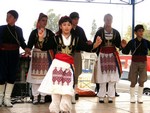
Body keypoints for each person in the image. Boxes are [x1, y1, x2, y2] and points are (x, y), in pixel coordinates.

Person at [38, 16, 102, 113]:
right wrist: (41, 37)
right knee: (56, 89)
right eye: (64, 25)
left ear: (71, 26)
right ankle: (54, 110)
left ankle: (65, 110)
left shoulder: (76, 39)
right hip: (57, 66)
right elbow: (43, 47)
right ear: (60, 26)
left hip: (69, 66)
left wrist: (96, 44)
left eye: (69, 25)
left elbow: (87, 47)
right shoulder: (55, 38)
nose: (66, 27)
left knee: (67, 89)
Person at [0, 10, 30, 107]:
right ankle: (0, 98)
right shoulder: (1, 28)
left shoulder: (19, 30)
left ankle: (7, 99)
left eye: (10, 16)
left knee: (12, 76)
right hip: (3, 54)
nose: (7, 18)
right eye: (7, 16)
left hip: (14, 55)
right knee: (1, 76)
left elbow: (21, 41)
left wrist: (26, 48)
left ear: (15, 19)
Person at [93, 14, 122, 103]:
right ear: (104, 20)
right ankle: (101, 96)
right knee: (102, 75)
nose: (108, 21)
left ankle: (111, 96)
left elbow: (118, 45)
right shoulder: (99, 32)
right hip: (102, 55)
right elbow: (95, 44)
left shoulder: (116, 32)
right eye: (107, 19)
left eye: (110, 19)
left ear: (112, 20)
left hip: (112, 56)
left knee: (112, 76)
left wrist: (122, 45)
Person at [26, 13, 55, 105]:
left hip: (46, 56)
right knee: (35, 78)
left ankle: (43, 96)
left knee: (45, 78)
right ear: (39, 21)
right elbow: (29, 44)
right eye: (43, 20)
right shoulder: (34, 32)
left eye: (46, 21)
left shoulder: (50, 33)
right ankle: (35, 96)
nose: (45, 22)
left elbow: (54, 43)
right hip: (37, 56)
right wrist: (27, 50)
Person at [121, 24, 150, 103]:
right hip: (134, 62)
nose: (141, 32)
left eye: (142, 31)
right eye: (139, 31)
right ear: (135, 32)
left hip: (143, 62)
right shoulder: (132, 42)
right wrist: (123, 47)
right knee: (133, 80)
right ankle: (132, 97)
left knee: (142, 80)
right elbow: (126, 52)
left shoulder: (146, 42)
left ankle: (140, 97)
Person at [69, 12, 92, 103]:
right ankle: (68, 94)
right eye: (74, 18)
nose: (76, 20)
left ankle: (74, 93)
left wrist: (89, 43)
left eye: (77, 18)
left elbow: (84, 42)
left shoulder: (80, 30)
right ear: (70, 19)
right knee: (68, 74)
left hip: (78, 54)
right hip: (68, 54)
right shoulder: (67, 28)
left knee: (76, 74)